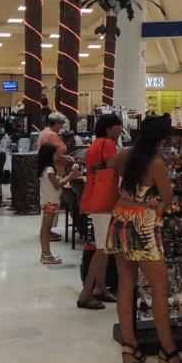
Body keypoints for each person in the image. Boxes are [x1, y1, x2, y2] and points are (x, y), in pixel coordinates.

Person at [106, 114, 182, 363]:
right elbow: (168, 198)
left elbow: (115, 172)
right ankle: (168, 353)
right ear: (161, 139)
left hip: (120, 218)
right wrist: (157, 202)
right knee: (160, 289)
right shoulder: (156, 164)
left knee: (125, 284)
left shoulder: (124, 155)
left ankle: (130, 347)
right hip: (143, 224)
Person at [77, 114, 122, 309]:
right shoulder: (109, 144)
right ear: (109, 128)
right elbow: (113, 166)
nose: (120, 130)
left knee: (103, 246)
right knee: (102, 249)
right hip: (105, 200)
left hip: (95, 197)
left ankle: (100, 288)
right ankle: (85, 294)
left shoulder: (95, 144)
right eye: (118, 126)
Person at [37, 143, 63, 265]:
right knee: (46, 229)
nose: (56, 156)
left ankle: (45, 253)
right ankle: (47, 254)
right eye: (54, 154)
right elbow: (57, 185)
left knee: (45, 228)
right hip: (50, 202)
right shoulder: (50, 170)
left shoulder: (45, 169)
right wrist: (70, 176)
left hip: (48, 201)